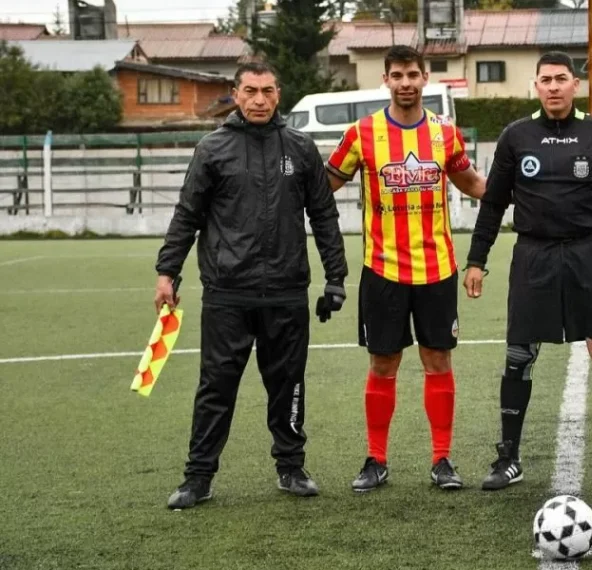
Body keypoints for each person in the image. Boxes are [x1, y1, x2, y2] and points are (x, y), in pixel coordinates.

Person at [157, 61, 349, 509]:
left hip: (286, 293)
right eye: (250, 91)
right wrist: (168, 272)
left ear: (278, 93)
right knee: (216, 387)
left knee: (288, 384)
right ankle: (198, 477)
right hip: (227, 294)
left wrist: (335, 277)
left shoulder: (301, 149)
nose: (259, 99)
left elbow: (324, 216)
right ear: (235, 94)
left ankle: (291, 467)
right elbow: (187, 214)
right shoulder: (212, 149)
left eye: (266, 90)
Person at [463, 51, 592, 491]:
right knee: (519, 356)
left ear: (575, 85)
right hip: (534, 256)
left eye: (560, 79)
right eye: (545, 79)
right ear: (536, 85)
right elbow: (492, 205)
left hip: (590, 255)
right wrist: (476, 259)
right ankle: (508, 456)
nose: (552, 87)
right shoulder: (516, 136)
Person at [325, 45, 486, 492]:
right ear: (386, 80)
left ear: (425, 77)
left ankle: (442, 460)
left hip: (437, 269)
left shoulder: (446, 134)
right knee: (383, 363)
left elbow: (472, 183)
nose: (406, 83)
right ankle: (376, 459)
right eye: (397, 75)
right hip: (382, 269)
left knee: (438, 360)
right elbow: (327, 184)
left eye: (413, 74)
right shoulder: (362, 132)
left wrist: (522, 192)